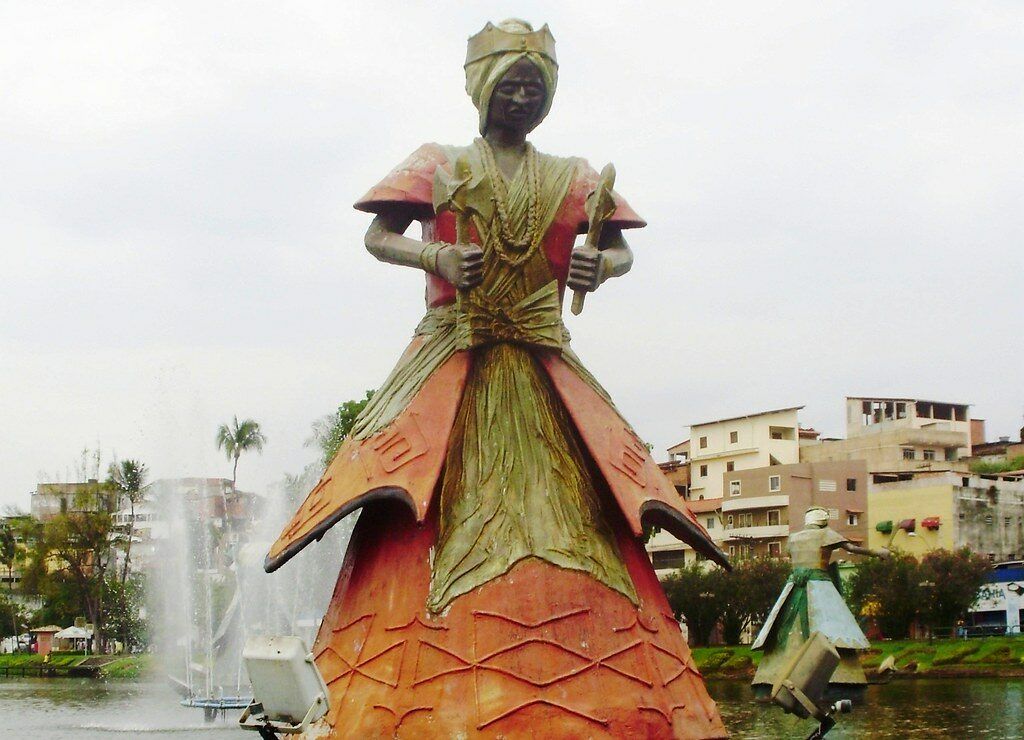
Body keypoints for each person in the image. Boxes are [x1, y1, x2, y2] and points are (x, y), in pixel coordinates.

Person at [267, 19, 728, 738]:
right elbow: (377, 235)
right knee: (421, 506)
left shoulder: (570, 175)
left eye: (533, 87)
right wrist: (437, 260)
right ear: (481, 88)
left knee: (584, 515)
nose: (520, 97)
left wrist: (597, 267)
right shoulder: (439, 162)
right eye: (509, 83)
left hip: (542, 362)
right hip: (456, 355)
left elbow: (620, 249)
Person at [751, 506, 890, 700]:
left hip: (793, 588)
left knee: (785, 630)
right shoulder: (826, 535)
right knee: (829, 630)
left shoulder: (794, 538)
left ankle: (772, 681)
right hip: (819, 586)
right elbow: (852, 549)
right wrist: (878, 553)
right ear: (823, 521)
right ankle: (828, 681)